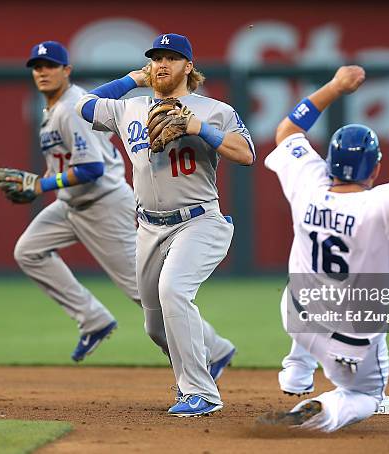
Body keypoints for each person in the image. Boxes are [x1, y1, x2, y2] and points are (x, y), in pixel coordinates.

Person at [259, 66, 389, 431]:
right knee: (365, 396)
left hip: (295, 314)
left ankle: (296, 373)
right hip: (347, 343)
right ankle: (318, 410)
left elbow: (287, 131)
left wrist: (334, 86)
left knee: (313, 286)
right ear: (375, 168)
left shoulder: (308, 183)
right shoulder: (381, 207)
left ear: (329, 162)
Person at [76, 33, 254, 416]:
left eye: (171, 58)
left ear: (189, 66)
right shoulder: (131, 109)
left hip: (199, 221)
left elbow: (246, 154)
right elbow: (83, 107)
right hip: (149, 228)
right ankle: (202, 361)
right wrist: (131, 80)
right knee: (156, 328)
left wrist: (199, 128)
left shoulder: (213, 110)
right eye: (156, 58)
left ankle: (201, 394)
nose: (162, 64)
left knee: (174, 290)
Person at [1, 41, 142, 362]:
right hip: (71, 204)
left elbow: (92, 169)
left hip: (103, 203)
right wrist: (44, 181)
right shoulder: (53, 108)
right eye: (37, 67)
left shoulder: (71, 107)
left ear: (66, 70)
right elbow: (68, 162)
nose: (43, 72)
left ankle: (210, 349)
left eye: (50, 65)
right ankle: (93, 320)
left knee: (141, 290)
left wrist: (41, 185)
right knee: (29, 251)